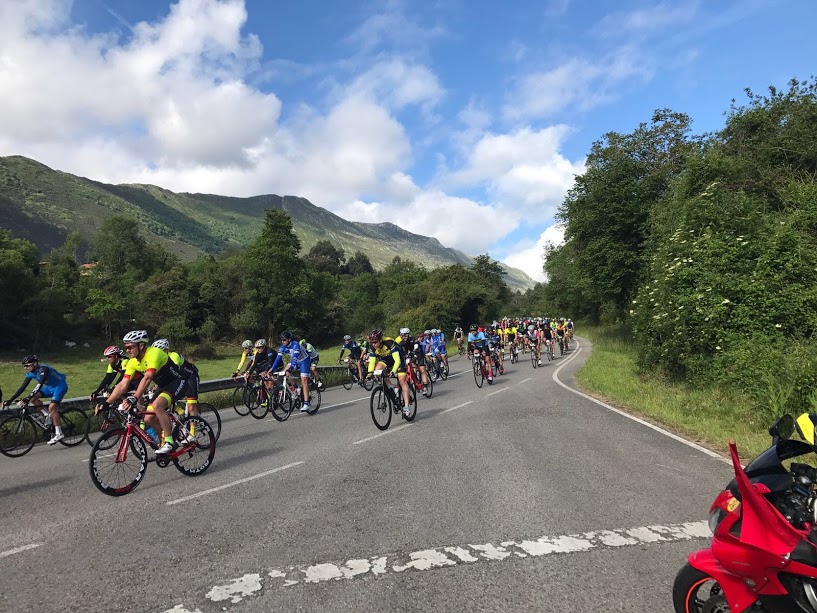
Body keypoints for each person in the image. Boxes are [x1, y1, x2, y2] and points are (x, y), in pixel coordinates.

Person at [101, 330, 187, 454]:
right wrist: (107, 402)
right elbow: (123, 384)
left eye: (130, 347)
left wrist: (135, 397)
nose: (127, 350)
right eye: (126, 347)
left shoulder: (154, 353)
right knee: (148, 419)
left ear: (141, 345)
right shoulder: (133, 362)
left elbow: (147, 378)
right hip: (163, 386)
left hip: (177, 382)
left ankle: (170, 442)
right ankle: (162, 441)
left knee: (158, 405)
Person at [3, 355, 69, 445]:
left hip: (60, 386)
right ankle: (47, 414)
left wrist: (27, 398)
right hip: (50, 387)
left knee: (52, 407)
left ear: (34, 364)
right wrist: (10, 401)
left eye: (27, 365)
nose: (25, 368)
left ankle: (59, 433)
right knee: (33, 399)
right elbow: (22, 388)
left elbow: (39, 385)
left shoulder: (44, 369)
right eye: (24, 366)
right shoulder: (30, 373)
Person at [365, 328, 411, 416]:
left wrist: (393, 371)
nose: (373, 344)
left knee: (402, 381)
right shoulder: (372, 346)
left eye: (375, 342)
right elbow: (372, 361)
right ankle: (392, 389)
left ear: (380, 340)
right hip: (387, 358)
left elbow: (397, 360)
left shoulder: (389, 342)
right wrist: (370, 373)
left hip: (399, 358)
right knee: (378, 369)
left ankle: (406, 406)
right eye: (372, 342)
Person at [270, 331, 311, 411]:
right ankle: (296, 388)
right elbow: (278, 359)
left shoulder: (295, 345)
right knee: (284, 372)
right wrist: (271, 369)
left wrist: (291, 368)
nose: (282, 341)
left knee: (304, 380)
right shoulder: (283, 347)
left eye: (284, 340)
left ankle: (306, 403)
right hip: (296, 361)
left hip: (304, 361)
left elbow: (295, 357)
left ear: (289, 339)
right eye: (281, 340)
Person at [397, 327, 431, 395]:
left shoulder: (414, 340)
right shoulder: (401, 343)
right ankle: (415, 380)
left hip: (419, 354)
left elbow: (416, 347)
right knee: (410, 367)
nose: (404, 337)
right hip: (411, 356)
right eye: (402, 335)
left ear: (408, 334)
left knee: (422, 369)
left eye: (405, 335)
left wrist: (414, 352)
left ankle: (425, 386)